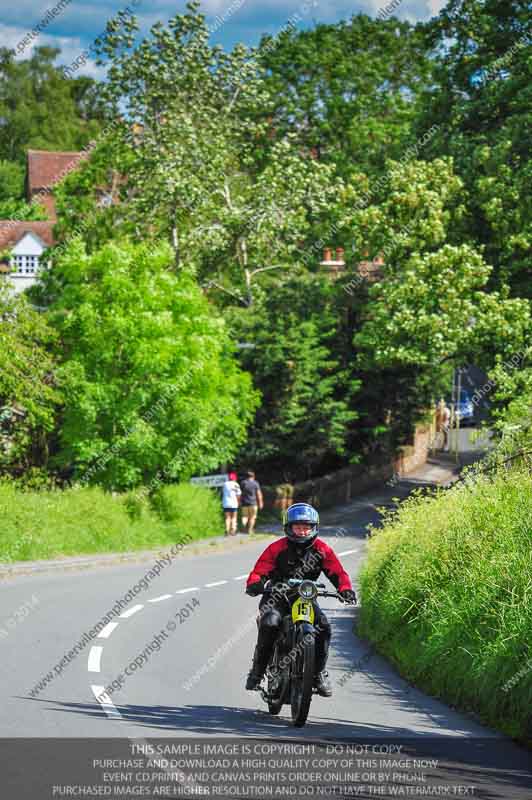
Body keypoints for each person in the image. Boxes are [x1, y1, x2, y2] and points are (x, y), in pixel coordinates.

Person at [244, 502, 357, 697]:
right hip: (276, 597)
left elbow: (337, 572)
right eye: (298, 527)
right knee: (270, 623)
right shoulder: (276, 548)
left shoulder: (323, 549)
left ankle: (319, 674)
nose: (303, 532)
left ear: (314, 528)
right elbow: (260, 570)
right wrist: (255, 584)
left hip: (305, 597)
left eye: (307, 527)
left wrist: (345, 589)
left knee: (324, 626)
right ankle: (257, 672)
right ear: (288, 527)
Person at [240, 470, 264, 535]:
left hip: (244, 503)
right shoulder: (255, 483)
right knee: (252, 517)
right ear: (253, 476)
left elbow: (240, 493)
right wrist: (261, 502)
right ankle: (250, 530)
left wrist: (240, 501)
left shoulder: (243, 483)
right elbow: (259, 494)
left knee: (245, 516)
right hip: (253, 503)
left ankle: (243, 526)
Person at [222, 472, 241, 536]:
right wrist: (238, 502)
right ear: (235, 478)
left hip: (226, 503)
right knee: (234, 517)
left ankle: (227, 530)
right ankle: (233, 530)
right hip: (234, 503)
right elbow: (238, 495)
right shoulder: (236, 484)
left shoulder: (225, 484)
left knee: (227, 518)